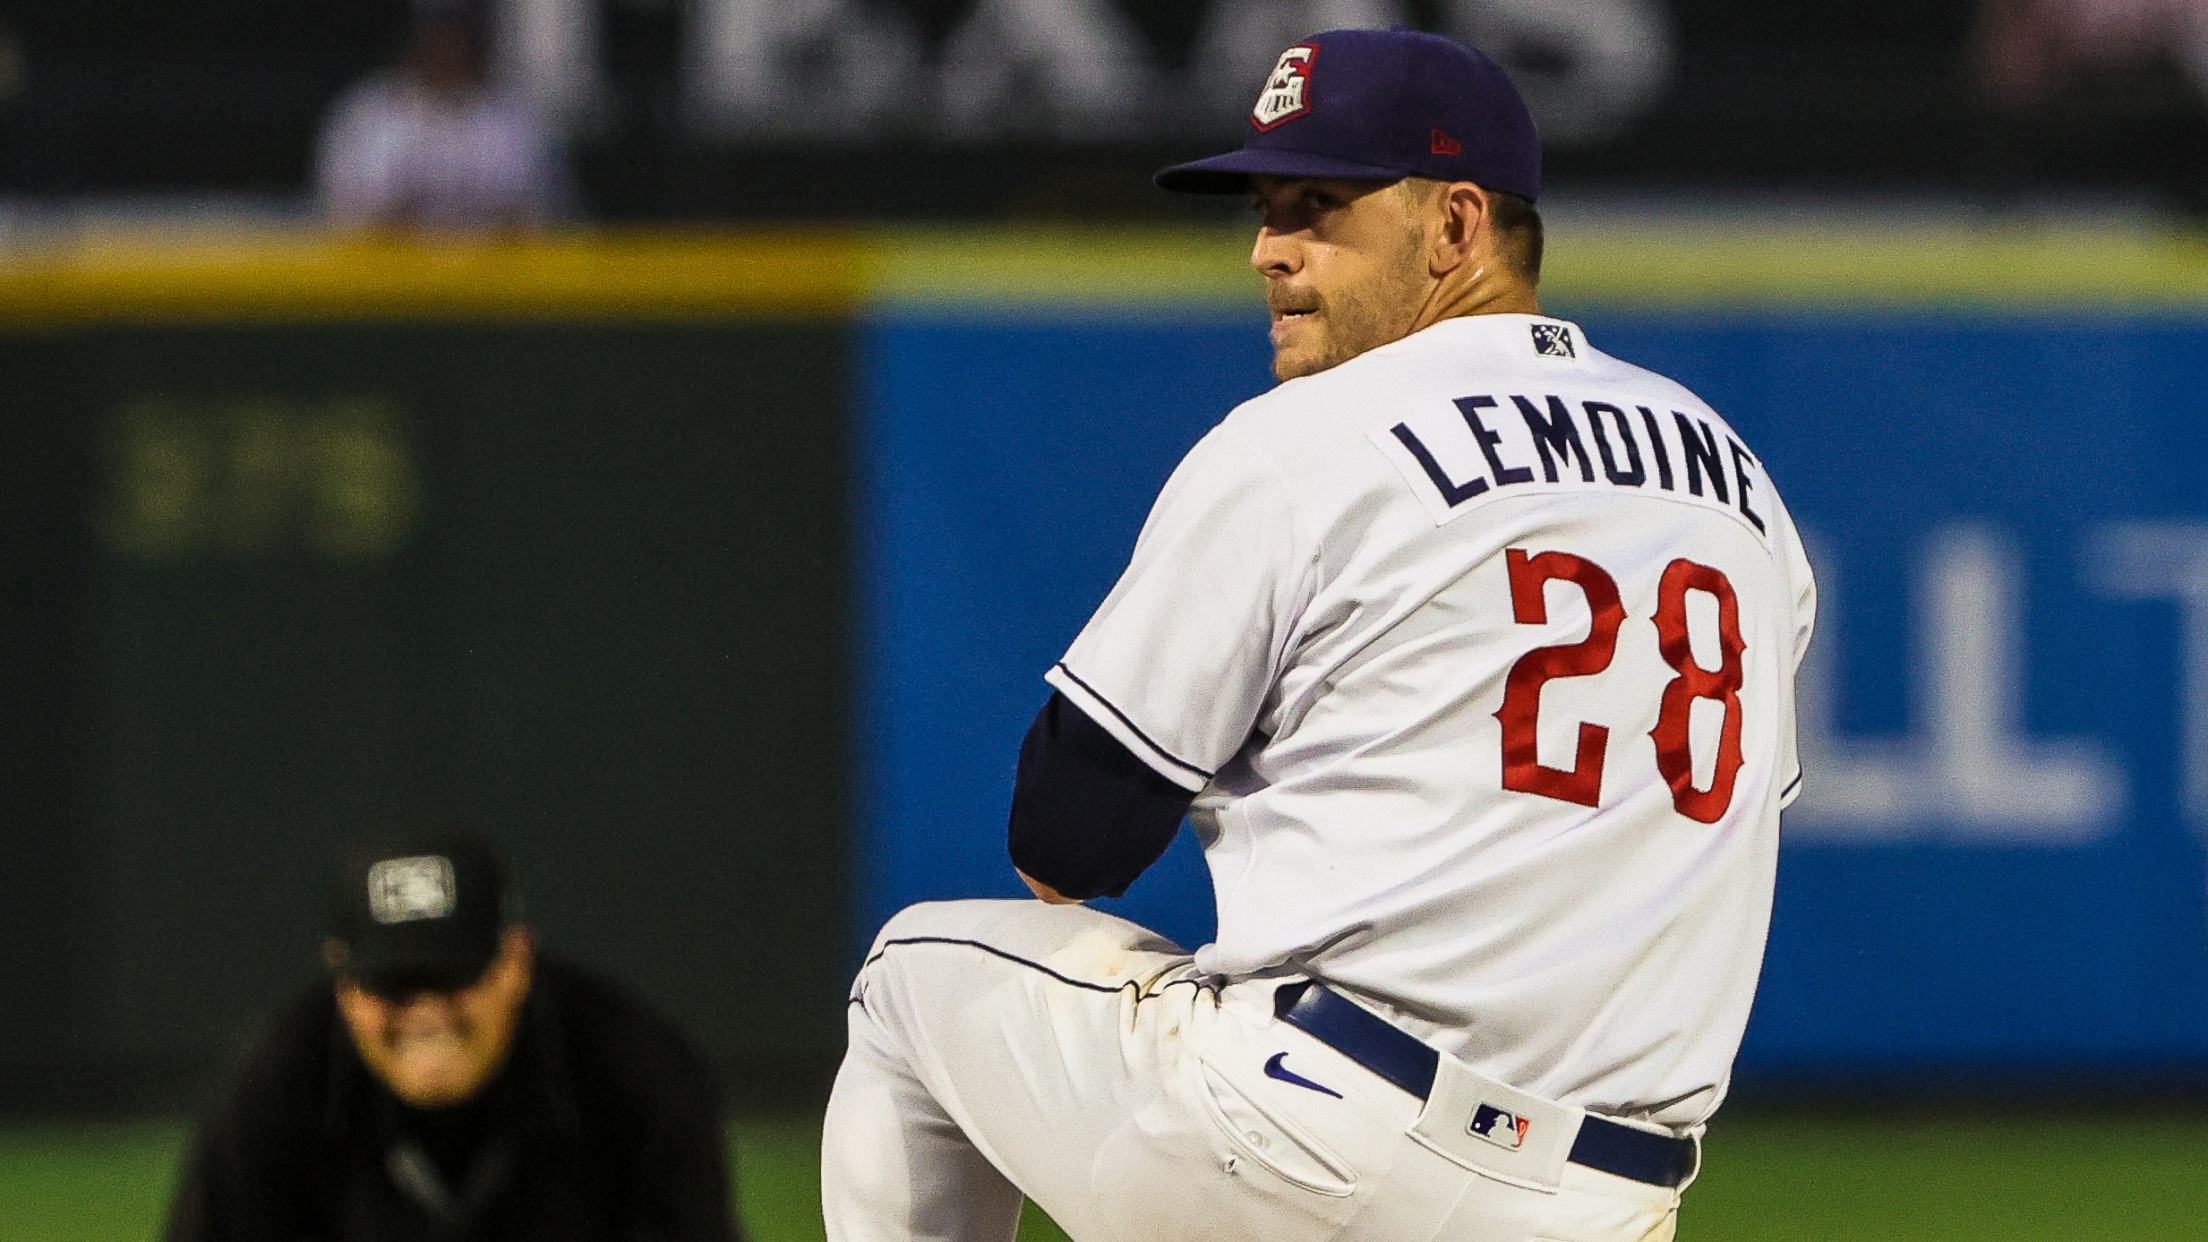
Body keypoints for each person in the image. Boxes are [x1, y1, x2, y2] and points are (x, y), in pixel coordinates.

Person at [821, 27, 1814, 1242]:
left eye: (1317, 208)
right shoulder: (1738, 484)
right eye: (1264, 211)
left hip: (1312, 1142)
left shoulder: (1305, 442)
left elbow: (1061, 846)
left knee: (910, 976)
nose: (1267, 249)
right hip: (1611, 1200)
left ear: (1456, 225)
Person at [166, 835, 742, 1242]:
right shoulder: (273, 1086)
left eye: (453, 977)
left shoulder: (635, 1075)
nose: (426, 1014)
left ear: (516, 963)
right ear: (343, 983)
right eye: (393, 985)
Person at [316, 0, 569, 231]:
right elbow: (341, 220)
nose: (446, 45)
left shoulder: (518, 118)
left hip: (501, 267)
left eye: (456, 31)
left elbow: (547, 219)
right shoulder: (367, 114)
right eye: (435, 30)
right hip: (386, 267)